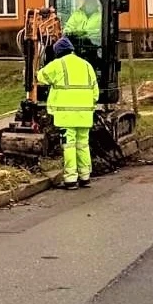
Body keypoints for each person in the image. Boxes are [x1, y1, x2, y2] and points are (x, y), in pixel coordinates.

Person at [37, 36, 99, 189]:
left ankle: (71, 179)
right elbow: (95, 92)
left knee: (69, 146)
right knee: (83, 145)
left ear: (58, 52)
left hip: (66, 116)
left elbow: (40, 77)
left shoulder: (58, 64)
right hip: (85, 116)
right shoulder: (86, 65)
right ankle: (85, 176)